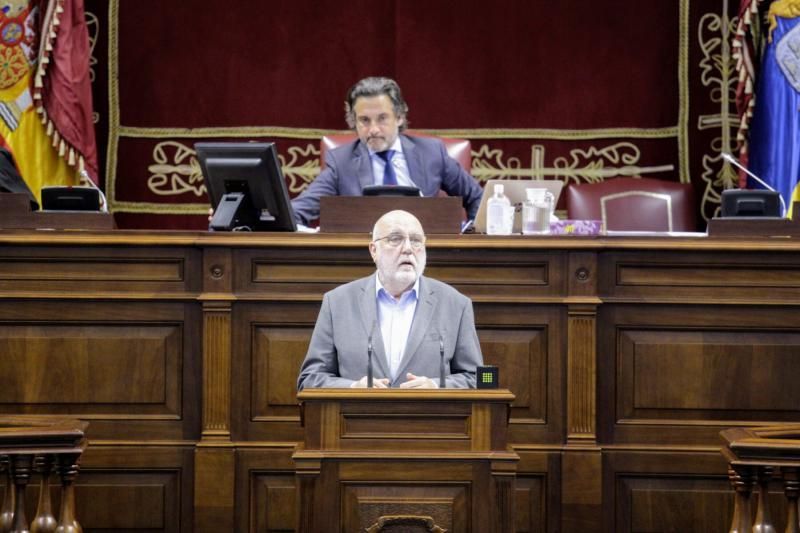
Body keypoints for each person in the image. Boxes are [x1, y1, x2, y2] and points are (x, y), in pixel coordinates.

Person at [297, 209, 483, 389]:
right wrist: (352, 387)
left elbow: (478, 379)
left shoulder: (455, 304)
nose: (408, 249)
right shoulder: (337, 302)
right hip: (357, 418)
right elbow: (310, 378)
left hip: (427, 418)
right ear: (373, 250)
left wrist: (437, 386)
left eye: (417, 241)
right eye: (395, 239)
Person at [291, 77, 484, 226]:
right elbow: (300, 209)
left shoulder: (431, 153)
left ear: (399, 117)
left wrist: (476, 241)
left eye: (382, 118)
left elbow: (477, 198)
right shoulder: (341, 162)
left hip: (425, 251)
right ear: (354, 121)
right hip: (365, 257)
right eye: (364, 120)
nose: (373, 129)